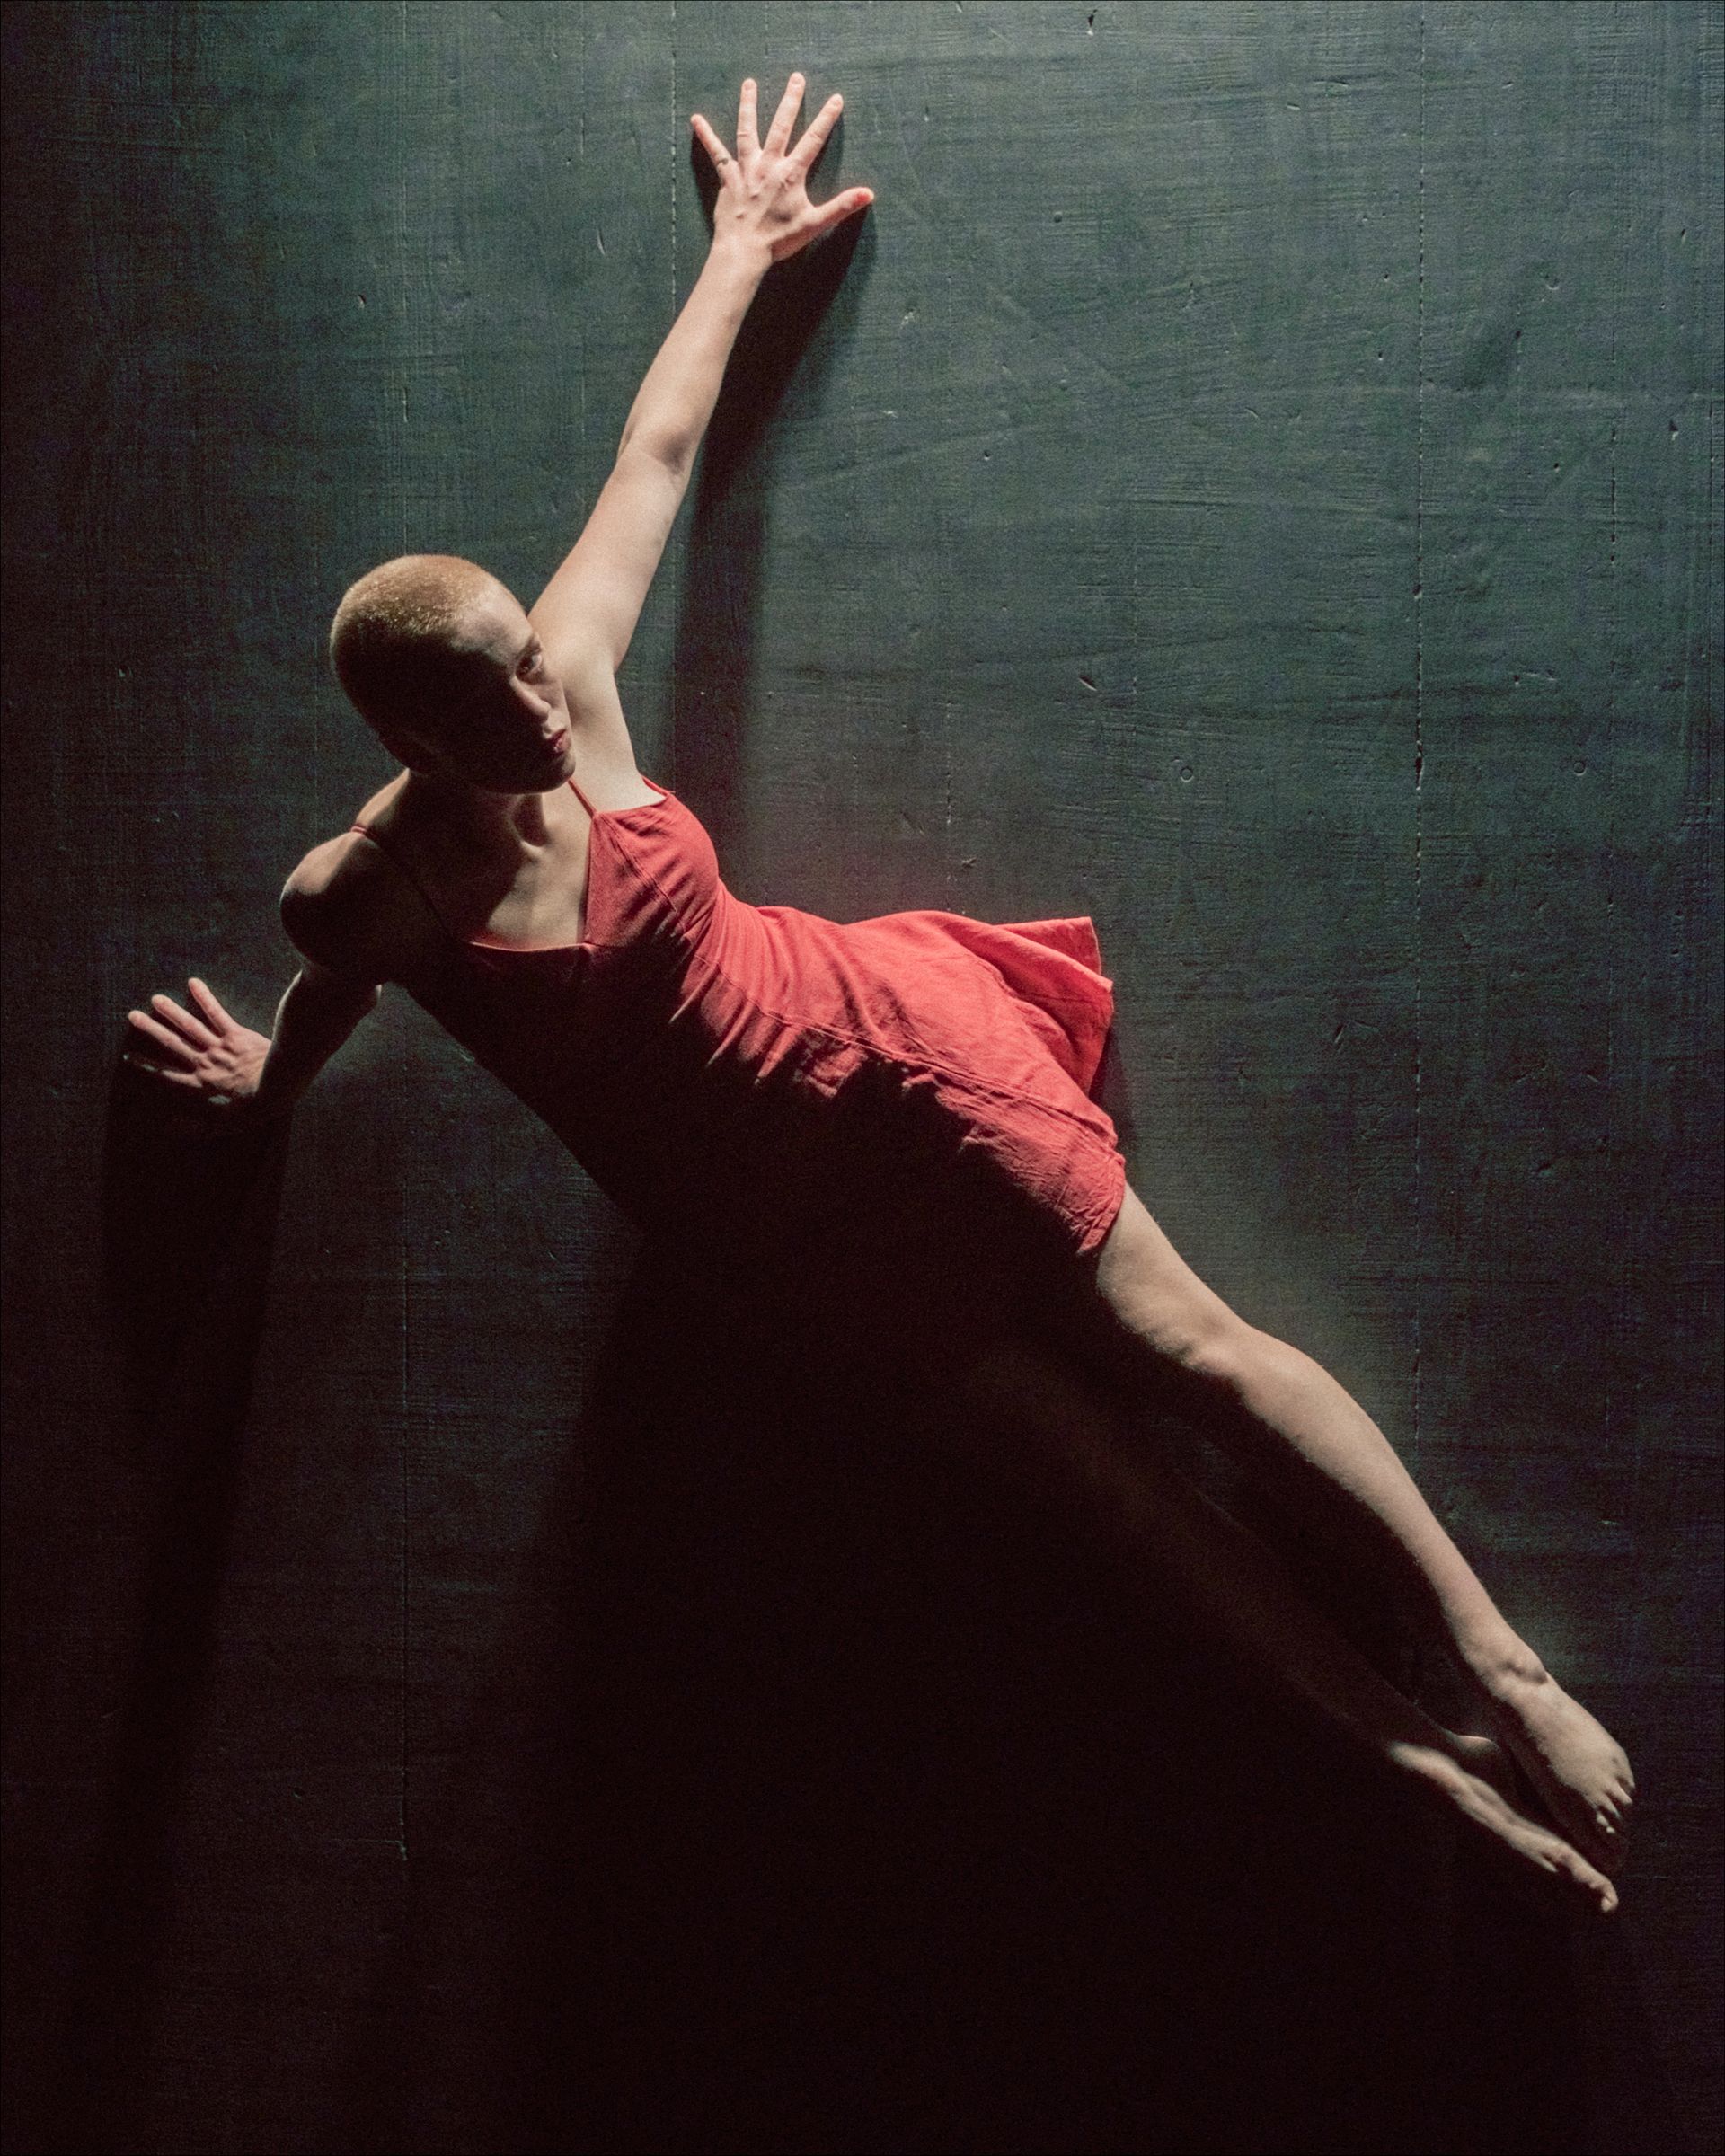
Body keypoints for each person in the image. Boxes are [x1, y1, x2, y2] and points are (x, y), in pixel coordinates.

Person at [125, 72, 1633, 1913]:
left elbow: (653, 460)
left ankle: (1497, 1661)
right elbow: (329, 989)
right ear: (411, 744)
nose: (544, 705)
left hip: (896, 1062)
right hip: (782, 1236)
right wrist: (269, 1086)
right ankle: (1412, 1759)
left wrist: (741, 248)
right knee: (1118, 1503)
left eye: (531, 660)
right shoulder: (372, 893)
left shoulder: (570, 680)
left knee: (1201, 1354)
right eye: (494, 703)